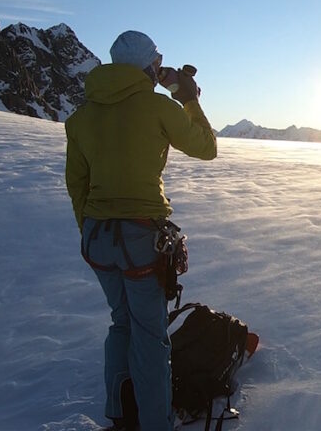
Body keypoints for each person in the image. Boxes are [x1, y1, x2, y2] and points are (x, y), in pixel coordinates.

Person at [65, 30, 217, 430]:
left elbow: (76, 184)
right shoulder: (158, 108)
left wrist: (92, 228)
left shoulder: (80, 118)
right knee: (150, 337)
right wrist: (187, 98)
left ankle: (120, 416)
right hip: (142, 239)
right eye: (157, 61)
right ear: (150, 66)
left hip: (97, 239)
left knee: (122, 323)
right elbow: (206, 147)